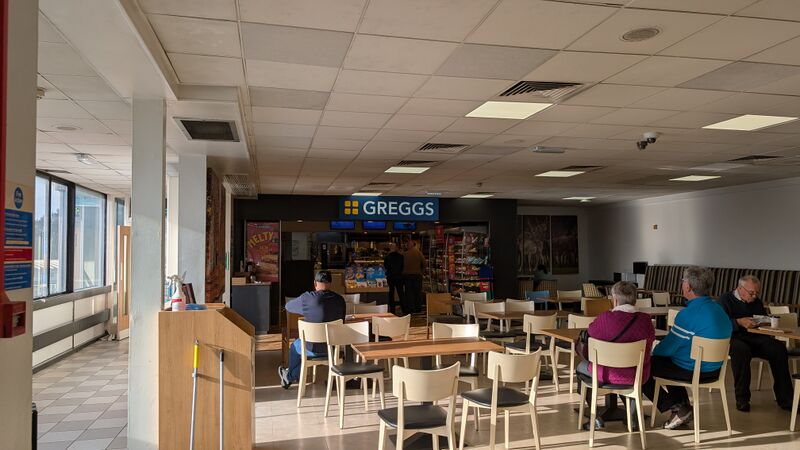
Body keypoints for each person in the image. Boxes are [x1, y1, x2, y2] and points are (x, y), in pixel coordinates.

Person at [642, 266, 733, 429]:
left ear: (688, 286)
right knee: (671, 361)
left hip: (695, 371)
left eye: (683, 281)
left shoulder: (689, 314)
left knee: (644, 366)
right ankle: (682, 408)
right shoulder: (720, 310)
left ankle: (675, 407)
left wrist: (653, 351)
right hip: (715, 370)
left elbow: (666, 348)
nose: (682, 283)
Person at [576, 281, 656, 430]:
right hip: (637, 375)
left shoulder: (605, 318)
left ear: (615, 299)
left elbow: (591, 332)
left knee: (580, 367)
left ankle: (596, 417)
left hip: (605, 374)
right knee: (629, 373)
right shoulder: (646, 320)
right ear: (635, 299)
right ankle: (633, 418)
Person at [717, 275, 793, 411]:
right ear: (740, 288)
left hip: (756, 338)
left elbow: (762, 318)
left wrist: (766, 321)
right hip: (734, 338)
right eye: (751, 293)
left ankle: (786, 399)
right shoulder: (725, 300)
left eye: (757, 293)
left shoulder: (756, 301)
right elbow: (719, 325)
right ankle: (742, 399)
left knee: (778, 349)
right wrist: (739, 322)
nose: (754, 296)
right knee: (741, 350)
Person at [277, 270, 346, 389]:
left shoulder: (307, 298)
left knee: (295, 347)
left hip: (312, 349)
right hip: (333, 348)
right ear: (330, 283)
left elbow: (288, 306)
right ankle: (289, 375)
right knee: (302, 346)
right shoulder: (340, 300)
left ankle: (289, 376)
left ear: (315, 283)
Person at [401, 235, 425, 314]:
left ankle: (410, 308)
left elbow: (401, 265)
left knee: (409, 292)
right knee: (417, 292)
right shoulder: (418, 252)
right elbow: (424, 262)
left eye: (407, 244)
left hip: (407, 276)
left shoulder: (404, 254)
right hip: (417, 275)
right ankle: (418, 308)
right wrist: (421, 272)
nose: (406, 245)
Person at [383, 242, 404, 315]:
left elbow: (385, 266)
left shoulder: (387, 257)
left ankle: (392, 310)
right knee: (401, 293)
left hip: (390, 277)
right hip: (399, 277)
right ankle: (404, 309)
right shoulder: (401, 256)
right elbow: (402, 266)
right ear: (396, 248)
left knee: (391, 294)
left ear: (390, 248)